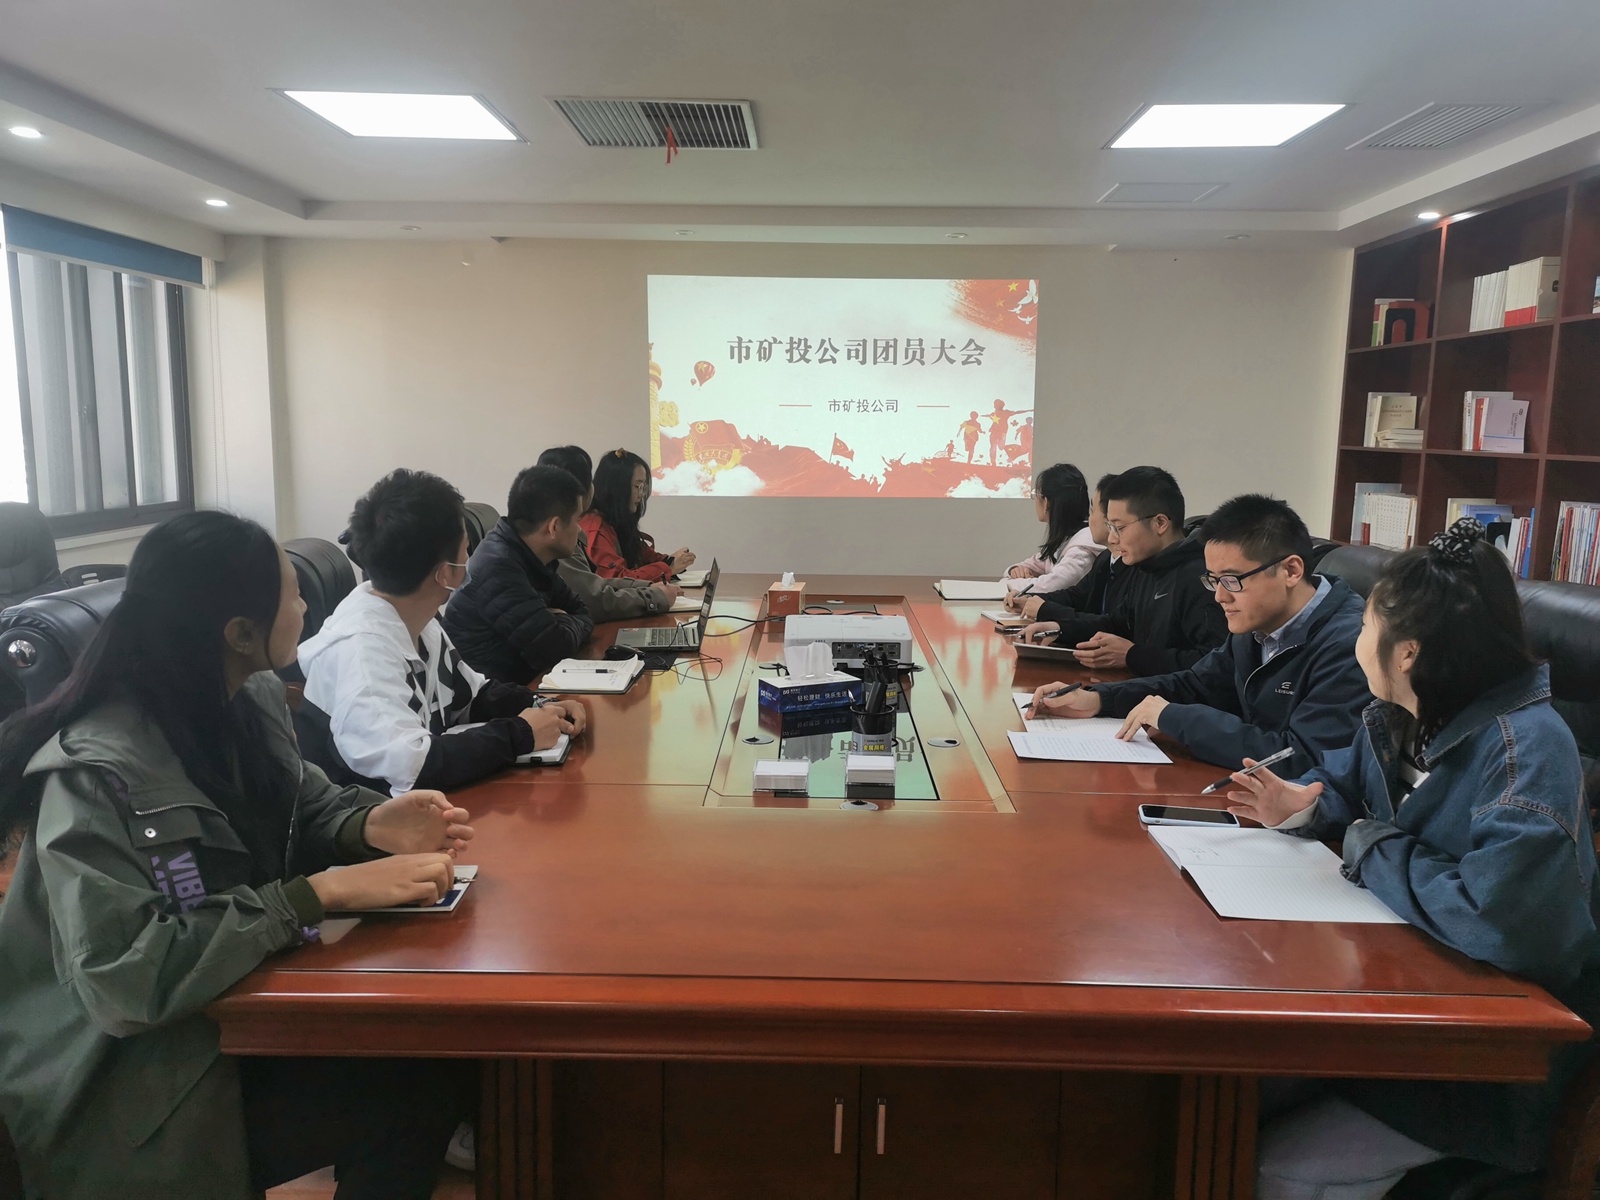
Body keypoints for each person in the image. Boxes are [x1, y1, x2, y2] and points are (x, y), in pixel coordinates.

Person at [0, 510, 477, 1199]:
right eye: (293, 593)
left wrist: (371, 823)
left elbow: (301, 801)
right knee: (410, 1090)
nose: (307, 605)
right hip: (128, 1084)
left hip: (221, 1021)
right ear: (239, 633)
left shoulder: (247, 697)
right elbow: (121, 980)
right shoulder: (96, 771)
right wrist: (318, 896)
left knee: (429, 1059)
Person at [1226, 519, 1600, 1198]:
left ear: (1406, 653)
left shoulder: (1526, 750)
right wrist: (1302, 806)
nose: (1356, 637)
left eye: (1366, 623)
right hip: (1398, 1002)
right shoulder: (1399, 715)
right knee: (1220, 1096)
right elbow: (1346, 790)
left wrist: (1372, 845)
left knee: (1275, 1164)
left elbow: (1499, 922)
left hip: (1488, 1064)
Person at [1027, 494, 1370, 778]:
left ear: (1291, 571)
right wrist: (1098, 699)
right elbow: (1196, 684)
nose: (1220, 596)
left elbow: (1300, 757)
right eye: (1214, 580)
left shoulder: (1352, 645)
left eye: (1232, 580)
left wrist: (1177, 718)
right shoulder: (1256, 623)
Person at [298, 469, 586, 797]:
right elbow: (415, 767)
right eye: (466, 549)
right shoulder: (362, 652)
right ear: (446, 573)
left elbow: (472, 696)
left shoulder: (417, 618)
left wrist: (544, 705)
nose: (471, 558)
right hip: (373, 816)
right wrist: (521, 733)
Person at [1018, 466, 1227, 673]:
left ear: (1160, 523)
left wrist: (1133, 656)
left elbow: (1213, 664)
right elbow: (1118, 624)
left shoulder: (1200, 578)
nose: (1112, 539)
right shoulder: (1147, 567)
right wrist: (1060, 628)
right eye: (1110, 527)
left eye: (1120, 528)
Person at [444, 463, 600, 682]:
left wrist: (562, 621)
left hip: (524, 684)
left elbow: (582, 610)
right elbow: (555, 648)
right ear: (554, 527)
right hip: (495, 696)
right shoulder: (498, 569)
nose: (580, 529)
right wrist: (564, 619)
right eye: (576, 520)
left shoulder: (531, 556)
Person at [533, 445, 682, 621]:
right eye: (637, 486)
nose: (642, 494)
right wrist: (655, 593)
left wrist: (648, 586)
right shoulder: (573, 531)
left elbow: (596, 584)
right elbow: (593, 599)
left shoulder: (608, 523)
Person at [1007, 472, 1124, 619]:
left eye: (1093, 511)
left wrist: (1011, 587)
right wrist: (1019, 581)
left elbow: (1055, 586)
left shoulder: (1082, 550)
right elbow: (1075, 595)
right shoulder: (1105, 558)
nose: (1090, 519)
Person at [581, 449, 695, 584]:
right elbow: (617, 579)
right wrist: (668, 568)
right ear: (617, 488)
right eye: (637, 486)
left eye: (643, 486)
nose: (641, 494)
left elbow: (643, 554)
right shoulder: (596, 528)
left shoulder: (616, 521)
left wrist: (671, 560)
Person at [1001, 463, 1104, 596]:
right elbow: (1035, 563)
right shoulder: (1065, 538)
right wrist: (1014, 570)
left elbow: (1050, 587)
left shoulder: (1080, 550)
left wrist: (1007, 584)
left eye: (1036, 494)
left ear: (1046, 503)